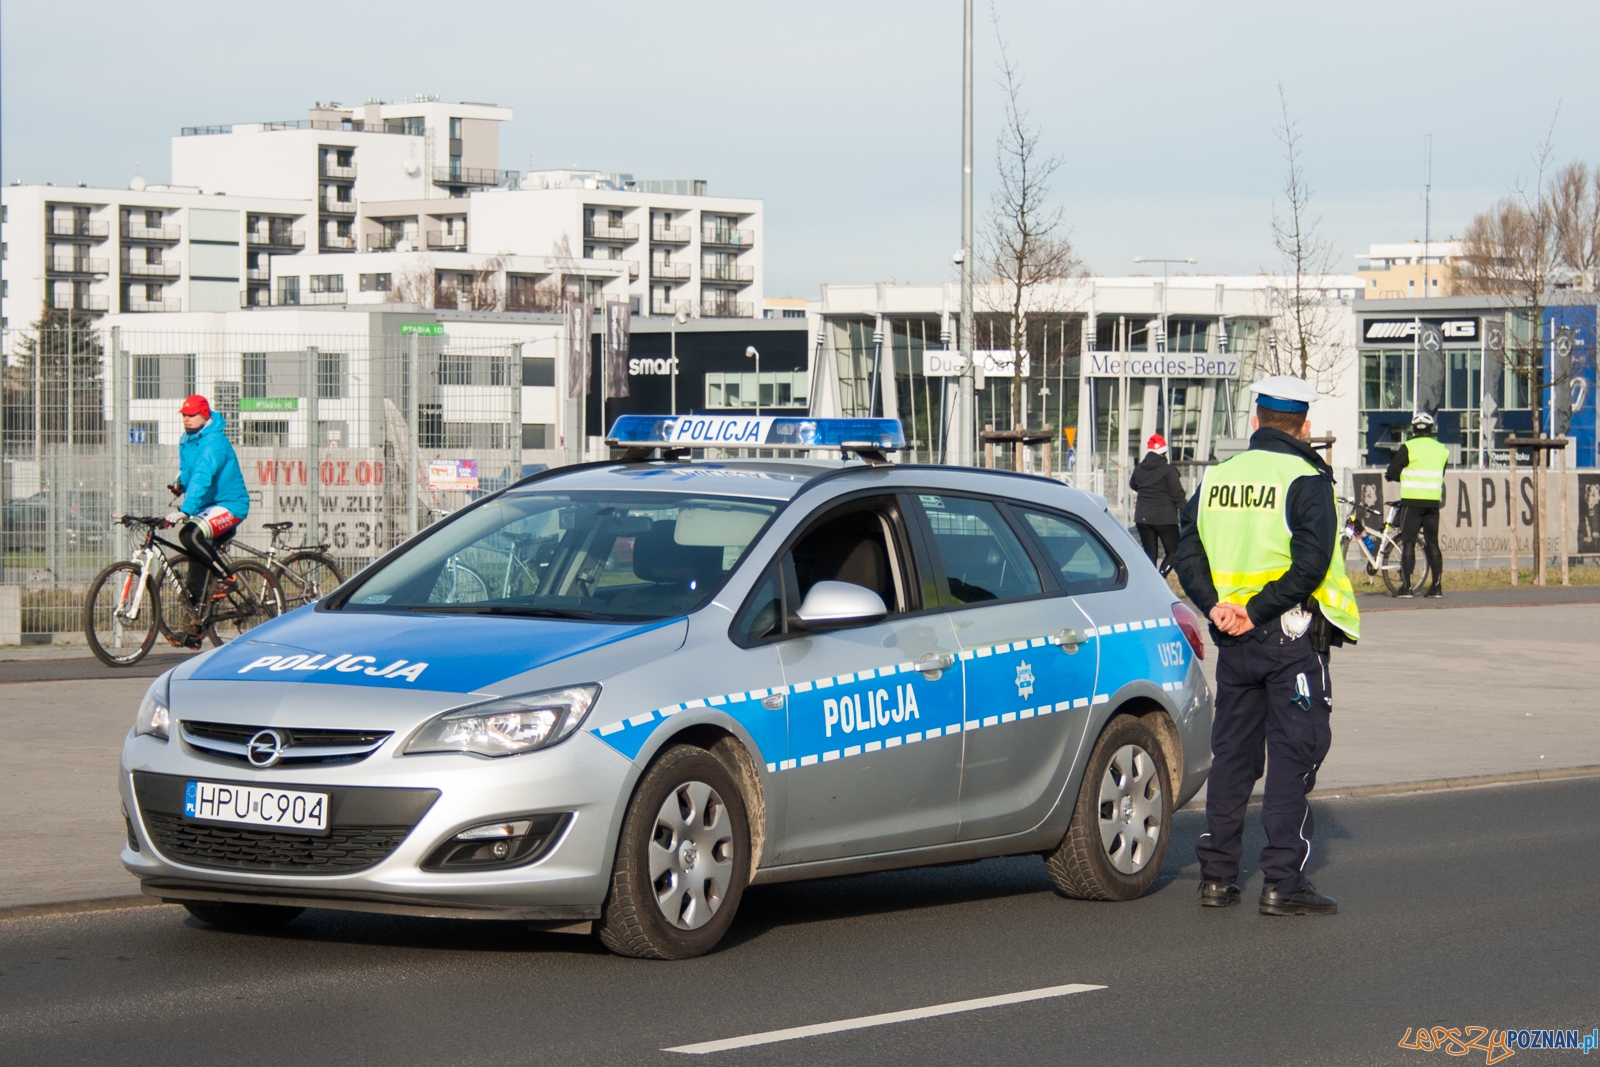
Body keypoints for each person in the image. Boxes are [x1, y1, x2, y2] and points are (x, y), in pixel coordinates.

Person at [1173, 375, 1361, 917]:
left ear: (1255, 421)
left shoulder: (1218, 477)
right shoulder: (1307, 478)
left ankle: (1217, 876)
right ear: (1303, 426)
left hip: (1234, 641)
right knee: (1293, 757)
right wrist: (1256, 610)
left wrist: (1217, 607)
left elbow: (1187, 551)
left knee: (1233, 755)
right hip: (1290, 638)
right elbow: (1310, 565)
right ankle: (1282, 882)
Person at [166, 394, 250, 647]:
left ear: (205, 415)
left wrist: (186, 509)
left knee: (189, 536)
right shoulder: (189, 440)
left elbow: (204, 474)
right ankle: (194, 634)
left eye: (191, 415)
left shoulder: (214, 441)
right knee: (195, 566)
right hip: (207, 506)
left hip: (229, 505)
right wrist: (180, 485)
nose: (186, 420)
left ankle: (227, 578)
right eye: (184, 415)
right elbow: (190, 472)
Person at [1385, 411, 1448, 598]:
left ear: (1414, 428)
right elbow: (1440, 473)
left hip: (1412, 502)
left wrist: (1402, 476)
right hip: (1433, 503)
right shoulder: (1442, 449)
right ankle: (1436, 587)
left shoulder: (1408, 447)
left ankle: (1407, 587)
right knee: (1433, 543)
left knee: (1409, 543)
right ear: (1431, 428)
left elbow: (1392, 471)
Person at [1130, 432, 1186, 575]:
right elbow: (1177, 495)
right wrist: (1188, 512)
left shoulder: (1139, 469)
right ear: (1164, 452)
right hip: (1165, 518)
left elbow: (1133, 485)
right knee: (1175, 551)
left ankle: (1150, 585)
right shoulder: (1168, 470)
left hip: (1143, 517)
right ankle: (1161, 578)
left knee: (1150, 556)